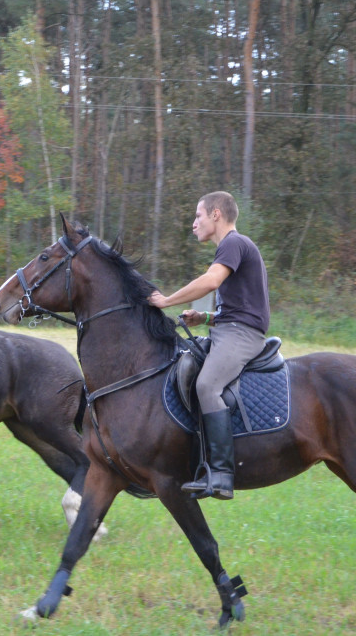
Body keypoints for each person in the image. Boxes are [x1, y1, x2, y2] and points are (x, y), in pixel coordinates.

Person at [149, 191, 270, 500]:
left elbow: (211, 281)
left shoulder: (233, 243)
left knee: (207, 386)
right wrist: (203, 316)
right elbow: (236, 308)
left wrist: (166, 300)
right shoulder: (230, 248)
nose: (194, 224)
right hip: (230, 330)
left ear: (216, 214)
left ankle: (221, 475)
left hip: (243, 337)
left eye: (198, 216)